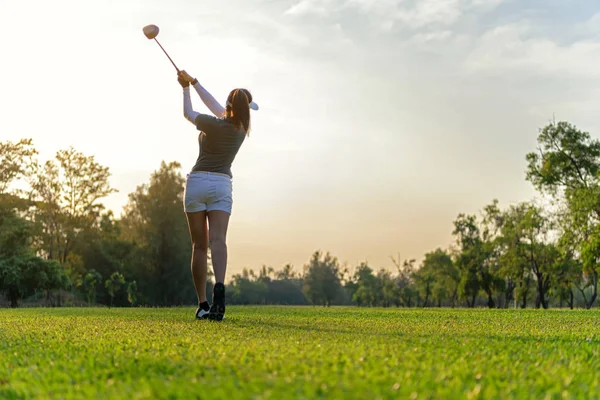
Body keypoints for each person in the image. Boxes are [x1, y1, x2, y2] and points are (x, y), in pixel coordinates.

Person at [176, 70, 258, 321]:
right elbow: (214, 105)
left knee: (199, 246)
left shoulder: (214, 124)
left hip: (198, 182)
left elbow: (189, 114)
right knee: (219, 241)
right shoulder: (242, 128)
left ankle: (202, 304)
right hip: (222, 185)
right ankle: (219, 291)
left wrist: (185, 88)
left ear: (228, 106)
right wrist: (196, 82)